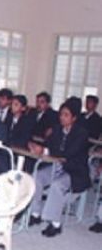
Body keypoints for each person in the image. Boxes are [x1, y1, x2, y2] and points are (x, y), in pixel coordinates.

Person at [27, 100, 91, 237]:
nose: (62, 117)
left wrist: (46, 150)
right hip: (57, 165)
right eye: (61, 114)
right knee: (36, 177)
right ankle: (35, 213)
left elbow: (69, 153)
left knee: (57, 185)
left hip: (74, 170)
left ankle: (55, 223)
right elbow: (49, 146)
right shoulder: (56, 129)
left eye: (66, 115)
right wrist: (40, 148)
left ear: (74, 118)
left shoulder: (82, 133)